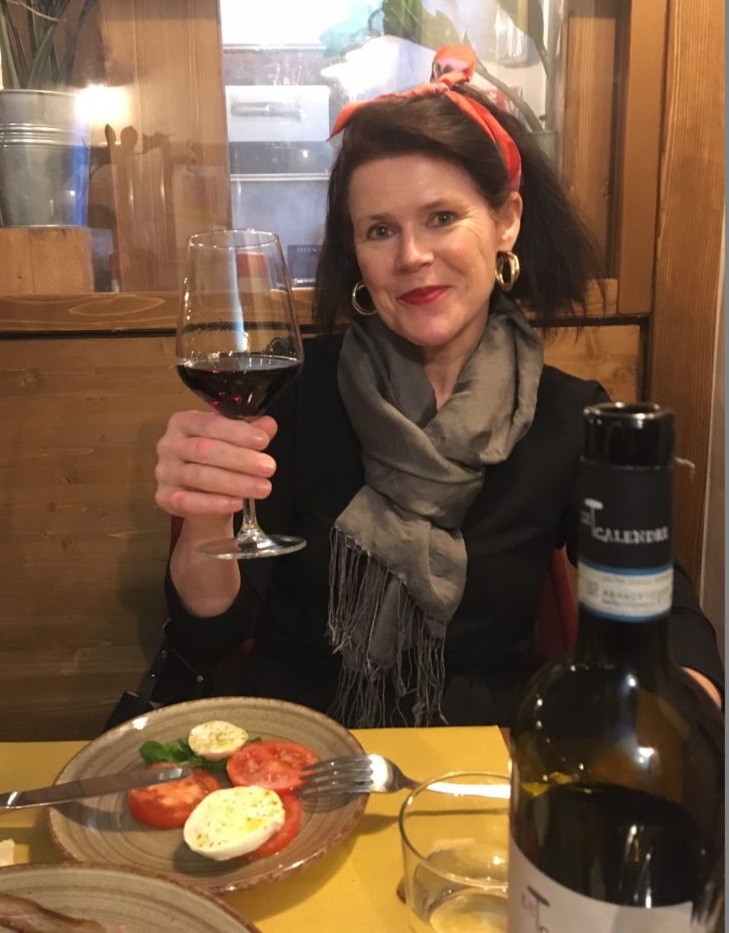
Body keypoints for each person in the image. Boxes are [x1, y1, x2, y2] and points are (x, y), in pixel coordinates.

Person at [154, 52, 723, 728]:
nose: (412, 256)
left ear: (506, 221)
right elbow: (210, 629)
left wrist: (679, 710)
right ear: (356, 252)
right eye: (380, 230)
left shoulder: (569, 417)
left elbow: (666, 609)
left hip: (479, 749)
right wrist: (206, 519)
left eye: (442, 217)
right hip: (301, 742)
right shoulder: (294, 396)